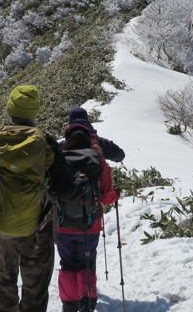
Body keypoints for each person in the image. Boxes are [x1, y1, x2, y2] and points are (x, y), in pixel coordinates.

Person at [0, 85, 71, 312]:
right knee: (35, 288)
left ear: (10, 108)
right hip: (38, 231)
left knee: (5, 284)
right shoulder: (48, 144)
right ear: (35, 111)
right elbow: (64, 188)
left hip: (2, 229)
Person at [55, 125, 117, 312]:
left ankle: (69, 304)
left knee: (67, 264)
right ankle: (87, 302)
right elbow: (106, 197)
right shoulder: (98, 159)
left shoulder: (59, 160)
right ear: (90, 139)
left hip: (62, 225)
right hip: (89, 225)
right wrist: (116, 195)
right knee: (85, 263)